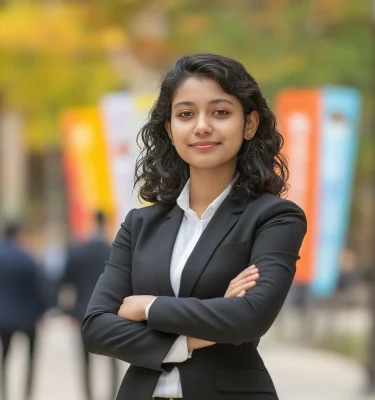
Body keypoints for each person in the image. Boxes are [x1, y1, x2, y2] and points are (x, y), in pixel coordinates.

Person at [82, 53, 307, 400]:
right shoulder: (140, 224)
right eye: (186, 114)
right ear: (171, 130)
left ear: (249, 124)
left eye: (220, 112)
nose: (202, 126)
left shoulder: (274, 218)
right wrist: (196, 334)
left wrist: (147, 308)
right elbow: (97, 328)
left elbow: (251, 317)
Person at [61, 211, 119, 400]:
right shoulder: (113, 250)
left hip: (82, 309)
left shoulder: (78, 250)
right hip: (110, 310)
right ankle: (112, 394)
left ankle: (88, 394)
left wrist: (67, 310)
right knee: (113, 357)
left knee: (84, 357)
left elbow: (66, 281)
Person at [0, 220, 49, 400]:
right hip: (28, 317)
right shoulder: (27, 257)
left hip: (3, 318)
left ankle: (4, 393)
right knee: (30, 358)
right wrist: (43, 310)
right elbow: (41, 286)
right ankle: (26, 393)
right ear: (19, 234)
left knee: (4, 358)